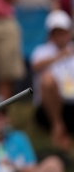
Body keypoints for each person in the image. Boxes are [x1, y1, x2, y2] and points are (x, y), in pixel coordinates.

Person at [0, 97, 65, 172]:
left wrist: (13, 166)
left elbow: (32, 167)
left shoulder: (18, 137)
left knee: (54, 163)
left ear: (7, 119)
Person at [30, 9, 74, 151]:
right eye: (57, 32)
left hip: (71, 104)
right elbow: (35, 66)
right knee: (47, 80)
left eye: (63, 31)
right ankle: (58, 126)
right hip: (48, 108)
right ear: (51, 34)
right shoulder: (42, 51)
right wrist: (60, 55)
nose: (61, 36)